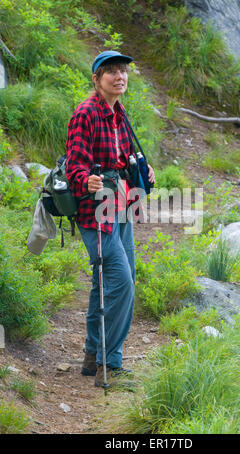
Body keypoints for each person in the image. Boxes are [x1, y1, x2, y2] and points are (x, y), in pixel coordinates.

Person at [65, 50, 155, 387]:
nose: (120, 77)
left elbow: (123, 157)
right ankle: (109, 363)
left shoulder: (120, 113)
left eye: (123, 71)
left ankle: (92, 354)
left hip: (123, 204)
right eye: (112, 72)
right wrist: (85, 180)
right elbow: (75, 164)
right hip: (95, 209)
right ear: (96, 79)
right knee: (122, 282)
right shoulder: (85, 114)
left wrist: (141, 168)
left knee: (107, 282)